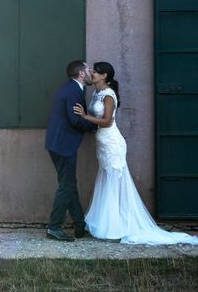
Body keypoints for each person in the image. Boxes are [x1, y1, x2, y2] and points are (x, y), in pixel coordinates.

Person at [74, 62, 198, 245]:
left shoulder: (108, 95)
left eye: (95, 72)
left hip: (113, 143)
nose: (91, 73)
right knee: (107, 179)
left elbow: (107, 121)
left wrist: (85, 117)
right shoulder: (96, 93)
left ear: (104, 76)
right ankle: (107, 223)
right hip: (102, 144)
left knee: (114, 181)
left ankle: (116, 226)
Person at [45, 60, 98, 241]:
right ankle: (54, 227)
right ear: (81, 74)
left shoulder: (72, 89)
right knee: (66, 186)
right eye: (88, 69)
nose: (91, 72)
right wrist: (98, 125)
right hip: (63, 145)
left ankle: (79, 226)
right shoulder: (73, 92)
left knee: (69, 185)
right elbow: (76, 120)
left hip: (60, 143)